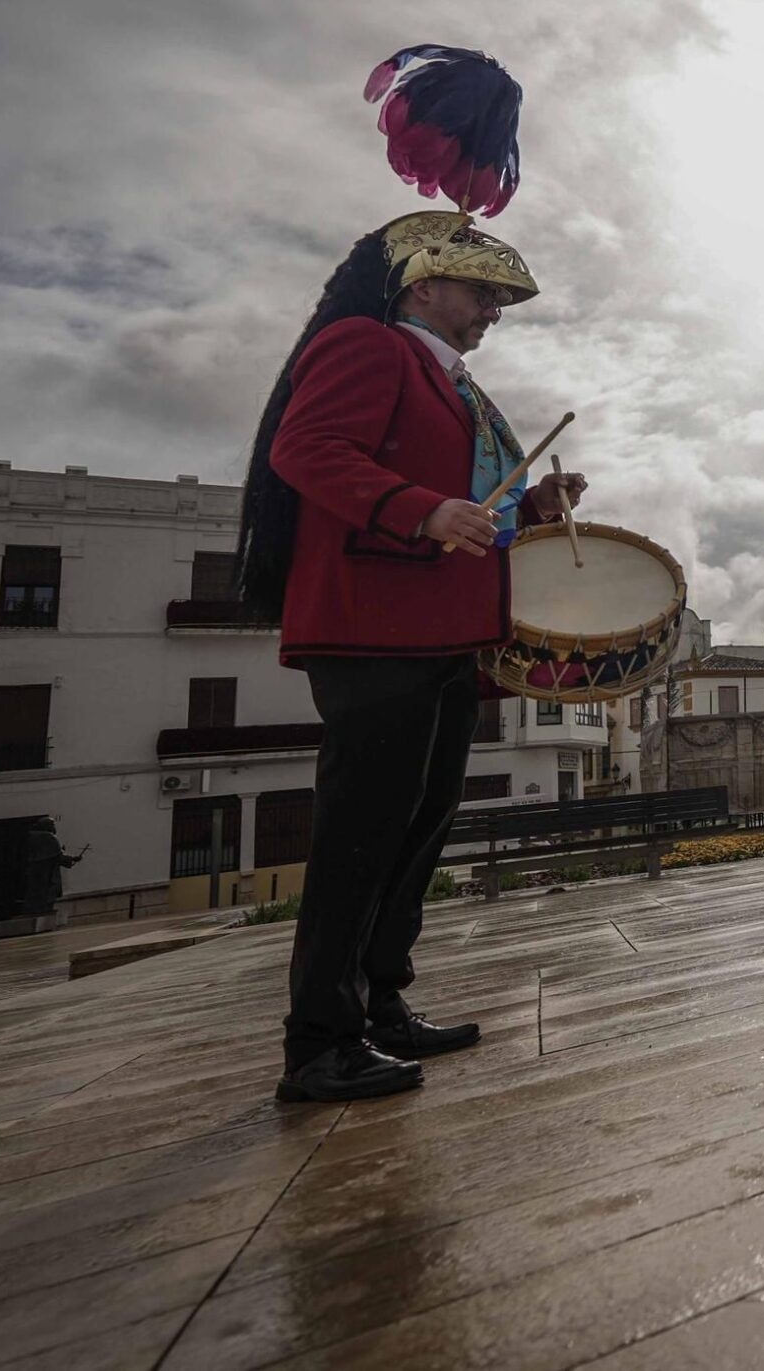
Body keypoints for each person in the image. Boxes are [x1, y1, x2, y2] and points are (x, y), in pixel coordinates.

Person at [236, 211, 585, 1101]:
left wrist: (532, 506)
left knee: (416, 828)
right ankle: (319, 1041)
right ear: (423, 285)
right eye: (481, 291)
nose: (493, 310)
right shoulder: (368, 344)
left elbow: (471, 504)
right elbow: (306, 448)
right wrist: (419, 510)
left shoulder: (456, 386)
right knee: (362, 835)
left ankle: (380, 1003)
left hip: (442, 634)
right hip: (374, 627)